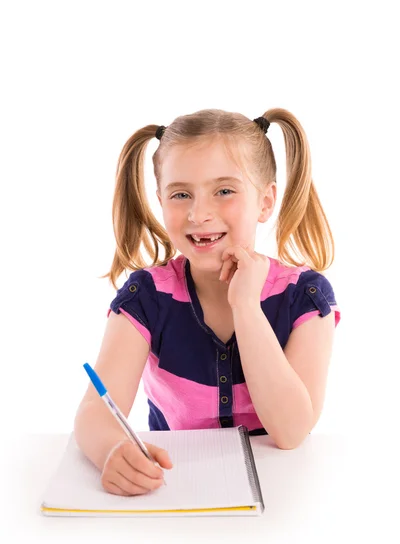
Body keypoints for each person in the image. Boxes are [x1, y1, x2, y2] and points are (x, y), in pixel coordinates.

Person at [74, 107, 341, 497]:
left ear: (265, 202)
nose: (199, 214)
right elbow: (93, 415)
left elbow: (291, 431)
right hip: (175, 489)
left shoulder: (305, 298)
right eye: (181, 194)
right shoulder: (146, 298)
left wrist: (247, 307)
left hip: (281, 497)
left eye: (224, 191)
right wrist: (112, 450)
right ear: (161, 201)